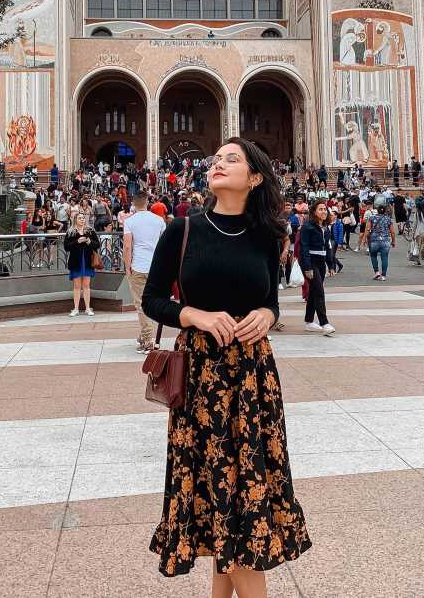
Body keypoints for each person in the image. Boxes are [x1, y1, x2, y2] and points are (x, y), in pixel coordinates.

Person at [142, 138, 312, 587]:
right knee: (221, 493)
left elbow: (271, 299)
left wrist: (267, 315)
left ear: (254, 178)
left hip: (253, 380)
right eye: (216, 159)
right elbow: (152, 299)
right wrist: (193, 315)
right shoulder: (182, 230)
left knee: (242, 497)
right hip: (202, 379)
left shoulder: (267, 235)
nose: (218, 163)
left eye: (230, 159)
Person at [123, 192, 165, 353]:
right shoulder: (159, 220)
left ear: (133, 203)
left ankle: (147, 340)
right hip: (155, 266)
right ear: (147, 201)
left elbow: (127, 246)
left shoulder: (130, 221)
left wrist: (127, 266)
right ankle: (144, 335)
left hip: (138, 265)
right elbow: (164, 244)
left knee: (141, 303)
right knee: (152, 301)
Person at [299, 199, 336, 336]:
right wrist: (307, 267)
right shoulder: (307, 227)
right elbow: (304, 247)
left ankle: (309, 321)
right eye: (320, 209)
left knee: (314, 292)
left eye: (325, 209)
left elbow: (328, 247)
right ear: (314, 212)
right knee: (319, 291)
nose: (323, 211)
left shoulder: (325, 228)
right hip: (310, 262)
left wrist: (331, 265)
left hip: (321, 262)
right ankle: (324, 323)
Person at [64, 212, 99, 316]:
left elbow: (97, 244)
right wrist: (77, 241)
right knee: (77, 286)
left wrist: (88, 241)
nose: (82, 220)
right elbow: (66, 247)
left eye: (83, 218)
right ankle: (75, 308)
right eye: (80, 218)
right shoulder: (70, 232)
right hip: (76, 261)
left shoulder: (90, 231)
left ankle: (88, 308)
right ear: (75, 220)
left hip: (88, 261)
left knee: (87, 285)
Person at [361, 203, 396, 281]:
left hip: (373, 240)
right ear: (385, 211)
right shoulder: (388, 219)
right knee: (384, 257)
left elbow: (367, 229)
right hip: (386, 240)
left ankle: (376, 272)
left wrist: (364, 240)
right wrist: (393, 241)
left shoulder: (371, 218)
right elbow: (392, 232)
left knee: (373, 256)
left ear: (377, 211)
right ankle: (383, 275)